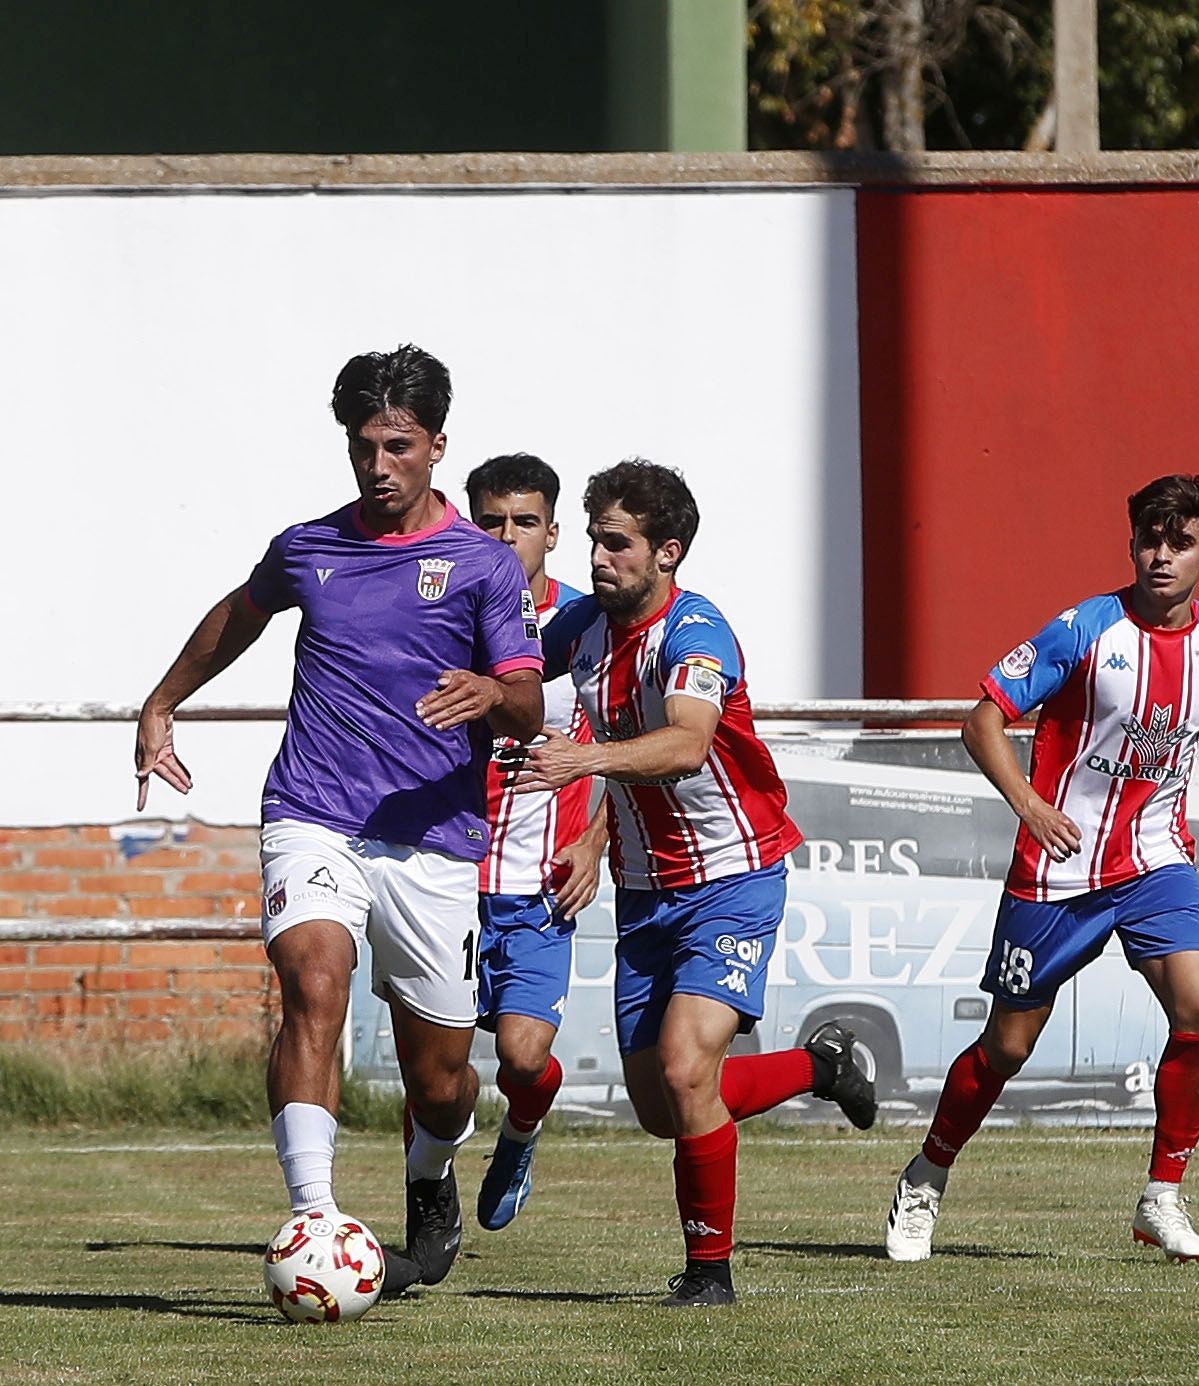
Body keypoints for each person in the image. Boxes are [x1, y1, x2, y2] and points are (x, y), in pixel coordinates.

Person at [134, 345, 543, 1297]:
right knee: (313, 980)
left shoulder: (482, 567)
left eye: (398, 445)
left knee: (439, 1077)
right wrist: (161, 704)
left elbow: (526, 703)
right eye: (364, 446)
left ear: (437, 446)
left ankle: (430, 1173)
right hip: (314, 812)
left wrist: (490, 690)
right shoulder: (308, 547)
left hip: (435, 838)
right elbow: (241, 612)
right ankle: (313, 1216)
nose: (378, 465)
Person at [884, 473, 1199, 1265]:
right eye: (1150, 539)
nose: (1161, 556)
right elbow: (983, 722)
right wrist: (1030, 805)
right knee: (1007, 1047)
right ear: (1131, 542)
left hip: (1154, 864)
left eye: (1181, 542)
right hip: (1058, 870)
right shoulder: (1084, 632)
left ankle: (1161, 1197)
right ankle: (926, 1175)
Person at [515, 459, 878, 1307]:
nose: (600, 558)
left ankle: (709, 1274)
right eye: (595, 538)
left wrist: (583, 760)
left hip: (733, 879)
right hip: (645, 891)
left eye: (619, 544)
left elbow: (684, 747)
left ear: (667, 552)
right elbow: (517, 669)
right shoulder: (584, 628)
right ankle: (820, 1070)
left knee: (685, 1072)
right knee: (661, 1104)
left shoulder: (698, 635)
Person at [462, 453, 608, 1231]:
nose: (507, 536)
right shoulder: (447, 613)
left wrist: (593, 842)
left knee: (521, 1059)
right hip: (448, 878)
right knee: (439, 1072)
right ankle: (431, 1193)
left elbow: (635, 746)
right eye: (491, 521)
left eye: (524, 522)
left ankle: (520, 1133)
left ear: (552, 532)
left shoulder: (584, 626)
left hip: (540, 885)